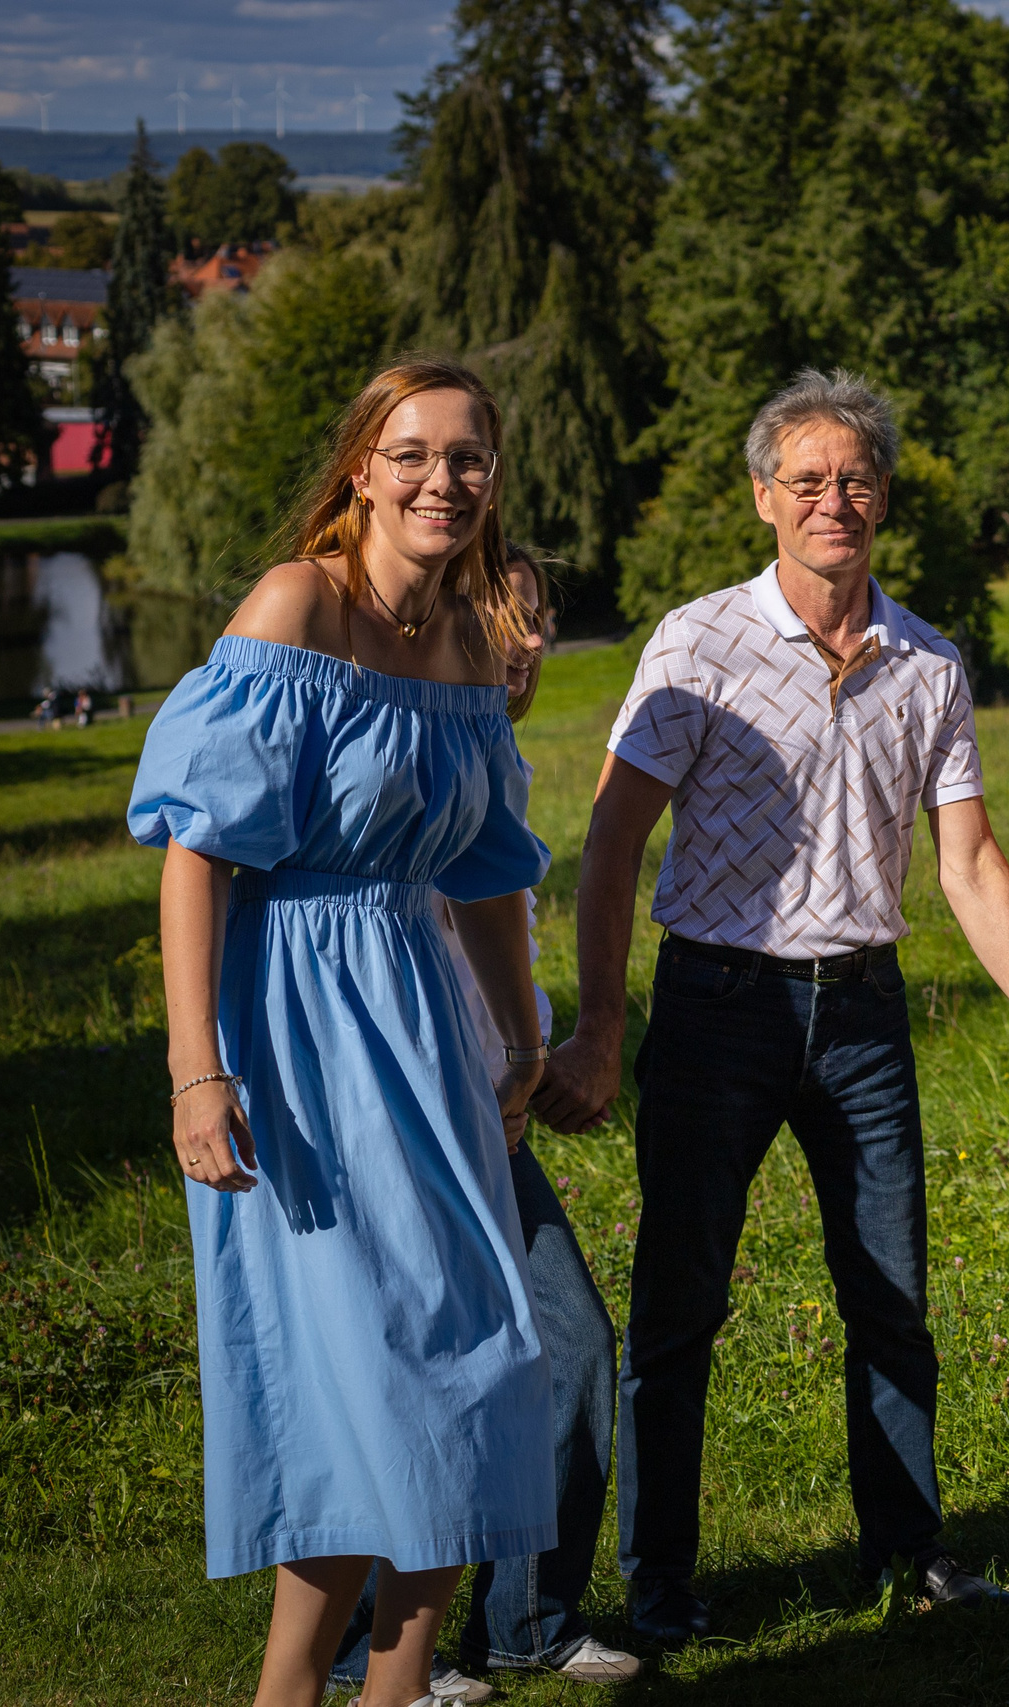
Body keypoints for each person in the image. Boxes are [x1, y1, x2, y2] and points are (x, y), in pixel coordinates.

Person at [530, 367, 1009, 1639]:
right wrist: (601, 1025)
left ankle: (912, 1560)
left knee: (890, 1299)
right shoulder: (698, 644)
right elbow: (616, 840)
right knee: (680, 1308)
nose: (831, 500)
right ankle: (661, 1589)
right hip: (715, 1005)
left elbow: (965, 862)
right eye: (806, 480)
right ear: (764, 499)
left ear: (883, 499)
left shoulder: (928, 665)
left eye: (854, 480)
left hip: (861, 1016)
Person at [127, 356, 556, 1707]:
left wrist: (522, 1033)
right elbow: (197, 854)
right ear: (362, 467)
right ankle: (286, 1691)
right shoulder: (298, 606)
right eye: (416, 453)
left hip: (423, 1023)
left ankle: (392, 1690)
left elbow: (486, 866)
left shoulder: (475, 643)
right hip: (298, 1023)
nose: (445, 479)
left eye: (470, 456)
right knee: (364, 1382)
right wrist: (199, 1068)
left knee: (480, 1357)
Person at [328, 548, 641, 1700]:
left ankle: (526, 1620)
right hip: (407, 1101)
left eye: (542, 616)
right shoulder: (421, 736)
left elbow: (496, 931)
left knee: (563, 1348)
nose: (528, 639)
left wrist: (531, 1050)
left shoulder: (490, 745)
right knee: (408, 1361)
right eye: (502, 613)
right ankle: (368, 1651)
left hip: (488, 1103)